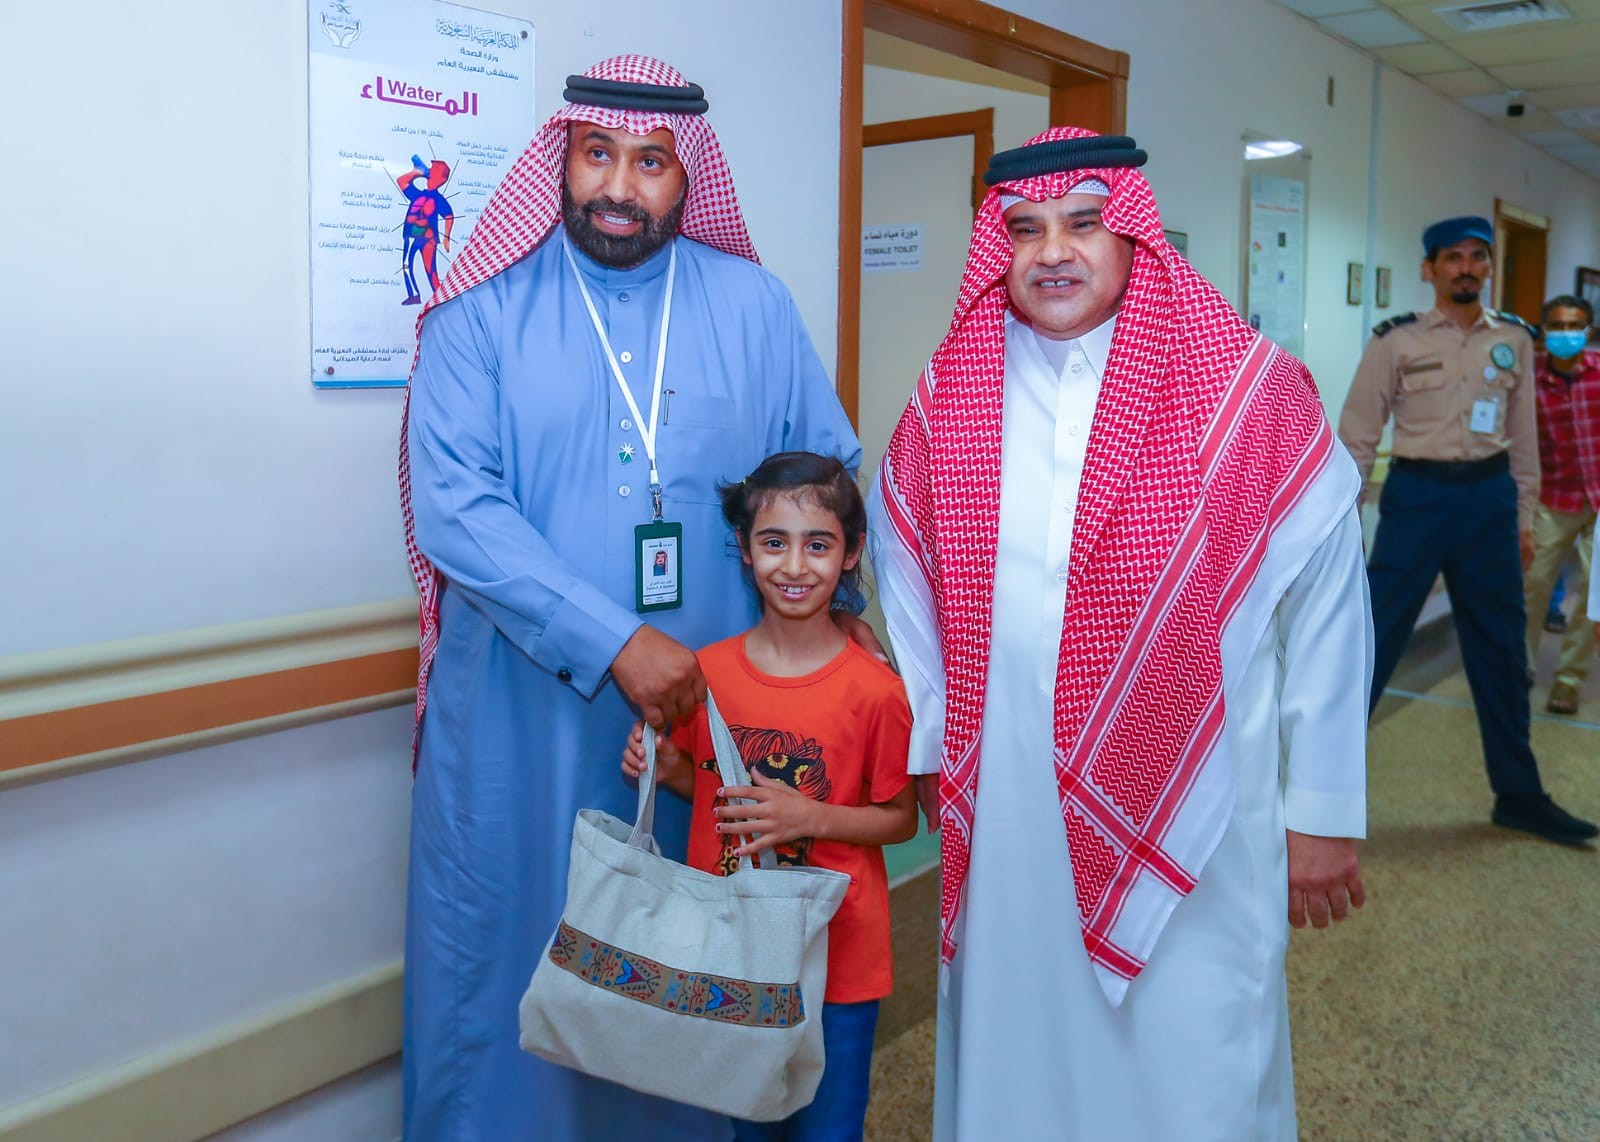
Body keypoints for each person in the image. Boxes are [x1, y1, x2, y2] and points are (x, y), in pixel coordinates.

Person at [869, 127, 1371, 1141]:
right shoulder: (952, 395)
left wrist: (1323, 807)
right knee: (1020, 1047)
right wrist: (931, 742)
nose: (1052, 250)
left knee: (1193, 1054)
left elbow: (1327, 603)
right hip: (1007, 806)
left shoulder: (1246, 390)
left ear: (1133, 234)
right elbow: (908, 579)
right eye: (1024, 229)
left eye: (1083, 223)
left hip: (1199, 805)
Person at [399, 56, 862, 1140]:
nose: (619, 185)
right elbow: (456, 510)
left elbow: (827, 472)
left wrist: (836, 634)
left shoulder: (753, 306)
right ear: (560, 160)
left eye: (650, 161)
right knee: (511, 967)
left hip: (710, 716)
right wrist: (615, 641)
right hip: (520, 717)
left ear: (687, 174)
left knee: (690, 977)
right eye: (597, 153)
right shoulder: (481, 310)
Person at [623, 451, 916, 1141]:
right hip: (734, 959)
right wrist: (661, 765)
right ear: (745, 549)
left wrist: (810, 816)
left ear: (851, 553)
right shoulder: (707, 674)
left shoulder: (877, 691)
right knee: (746, 1129)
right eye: (774, 542)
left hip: (838, 966)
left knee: (829, 1127)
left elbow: (901, 818)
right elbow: (711, 792)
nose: (794, 565)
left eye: (818, 545)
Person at [1339, 215, 1597, 845]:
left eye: (1477, 257)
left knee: (1501, 653)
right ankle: (1316, 796)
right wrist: (1341, 524)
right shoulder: (1395, 341)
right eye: (1453, 258)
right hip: (1417, 500)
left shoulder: (1514, 339)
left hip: (1488, 501)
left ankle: (1520, 796)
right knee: (1371, 647)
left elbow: (1523, 441)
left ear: (1487, 267)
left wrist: (1523, 521)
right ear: (1429, 269)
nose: (1467, 268)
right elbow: (1357, 435)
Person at [1522, 294, 1600, 714]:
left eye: (1574, 326)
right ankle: (1521, 668)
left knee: (1594, 592)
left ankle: (1569, 678)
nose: (1566, 333)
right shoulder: (1528, 379)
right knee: (1532, 585)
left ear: (1588, 331)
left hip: (1599, 499)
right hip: (1552, 498)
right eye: (1557, 326)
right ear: (1544, 331)